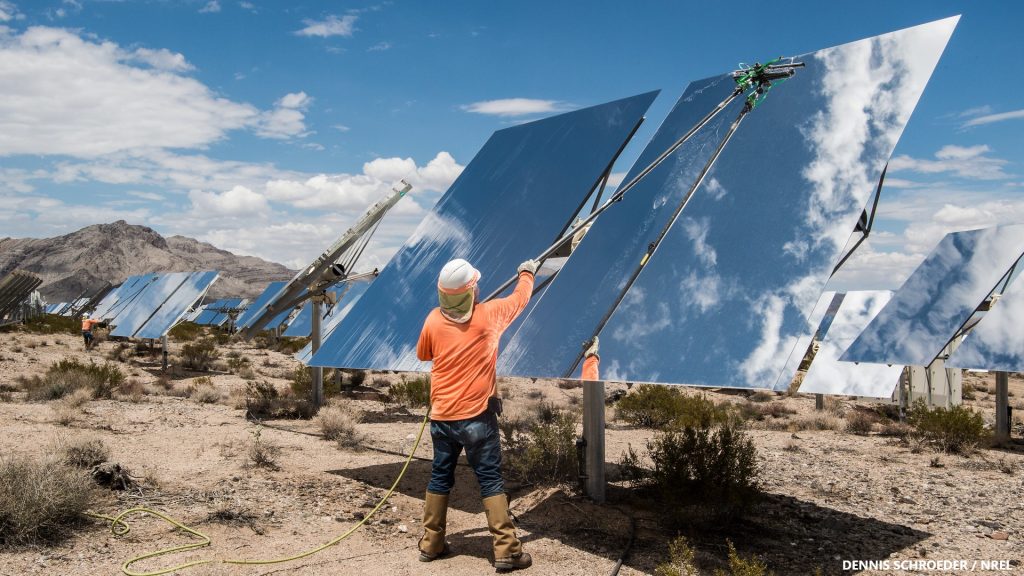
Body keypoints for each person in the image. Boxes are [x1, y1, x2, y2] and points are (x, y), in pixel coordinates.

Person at [416, 257, 539, 572]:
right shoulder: (491, 314)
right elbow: (520, 299)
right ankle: (507, 552)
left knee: (440, 476)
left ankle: (431, 544)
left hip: (441, 417)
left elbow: (424, 354)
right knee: (490, 479)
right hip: (476, 417)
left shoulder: (432, 319)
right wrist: (526, 272)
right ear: (470, 290)